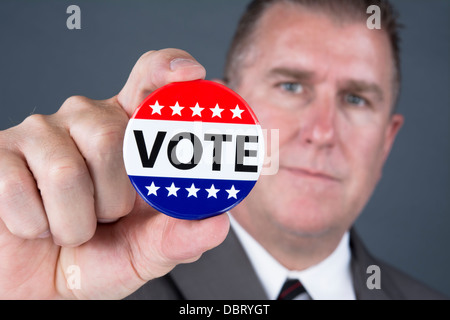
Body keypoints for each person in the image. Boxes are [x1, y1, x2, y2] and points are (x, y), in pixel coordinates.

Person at [0, 0, 446, 300]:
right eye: (290, 86)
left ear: (386, 141)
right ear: (229, 110)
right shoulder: (92, 288)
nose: (322, 132)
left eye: (355, 99)